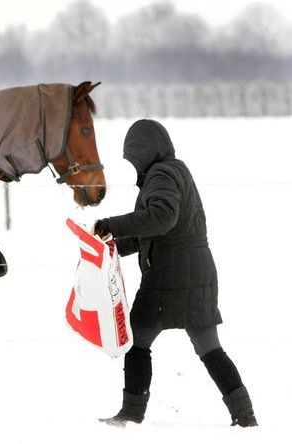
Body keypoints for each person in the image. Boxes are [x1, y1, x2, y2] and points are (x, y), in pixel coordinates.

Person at [93, 119, 257, 427]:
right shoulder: (175, 170)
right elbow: (158, 229)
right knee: (209, 347)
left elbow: (161, 218)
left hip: (169, 276)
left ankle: (130, 415)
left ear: (143, 152)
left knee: (137, 338)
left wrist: (112, 224)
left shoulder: (161, 174)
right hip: (196, 271)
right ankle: (245, 417)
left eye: (133, 156)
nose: (133, 163)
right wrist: (114, 245)